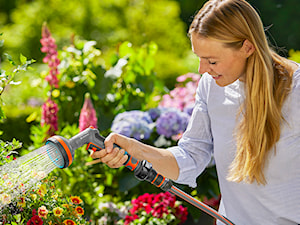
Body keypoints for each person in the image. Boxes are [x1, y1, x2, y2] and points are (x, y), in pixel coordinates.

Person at [91, 0, 300, 224]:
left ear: (247, 47)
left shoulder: (295, 89)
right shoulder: (212, 87)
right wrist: (135, 149)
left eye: (212, 61)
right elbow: (190, 157)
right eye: (199, 58)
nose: (202, 70)